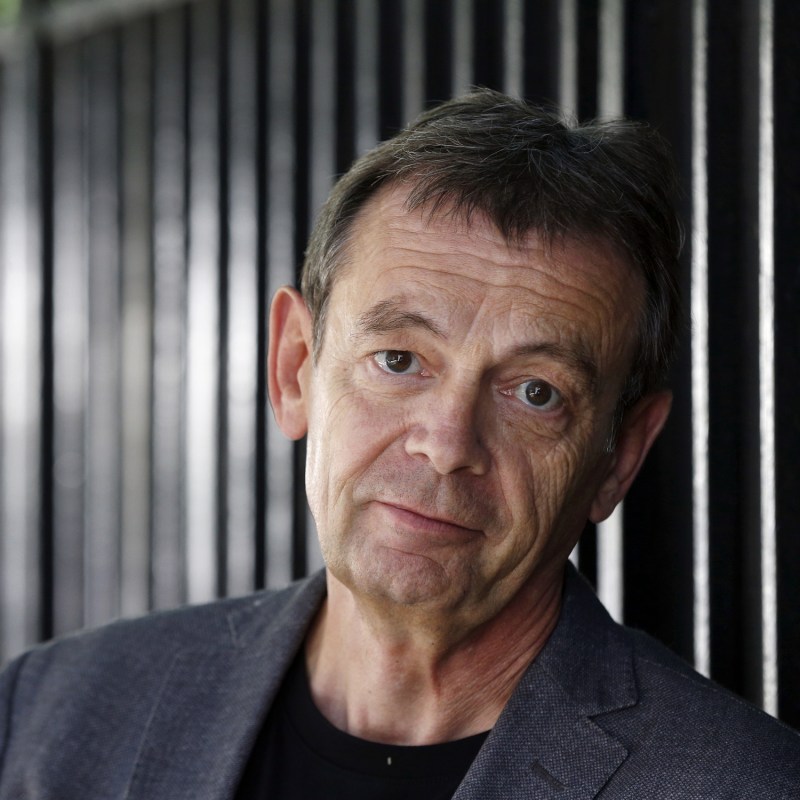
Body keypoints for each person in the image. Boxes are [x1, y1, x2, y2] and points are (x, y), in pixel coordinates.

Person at [1, 89, 798, 799]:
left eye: (535, 392)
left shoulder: (743, 786)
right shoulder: (49, 718)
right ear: (295, 368)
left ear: (618, 456)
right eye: (398, 360)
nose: (447, 444)